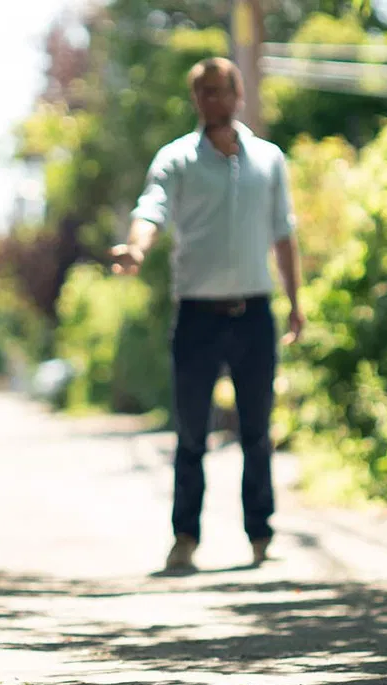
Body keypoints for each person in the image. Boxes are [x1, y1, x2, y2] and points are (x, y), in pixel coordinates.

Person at [111, 58, 303, 573]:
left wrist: (296, 304)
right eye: (204, 93)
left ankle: (260, 534)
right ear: (196, 100)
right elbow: (151, 208)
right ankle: (185, 538)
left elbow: (283, 233)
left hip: (254, 313)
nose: (214, 100)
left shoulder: (268, 160)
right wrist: (135, 249)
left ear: (239, 95)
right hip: (197, 316)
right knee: (191, 433)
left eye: (222, 91)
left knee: (257, 431)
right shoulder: (177, 159)